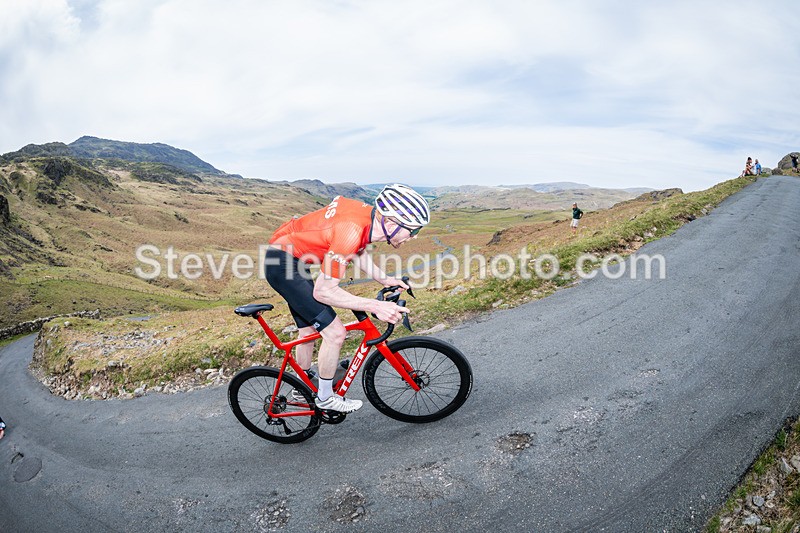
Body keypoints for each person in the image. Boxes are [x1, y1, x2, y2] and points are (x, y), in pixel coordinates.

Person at [264, 184, 430, 413]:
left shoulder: (367, 219)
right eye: (413, 230)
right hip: (283, 265)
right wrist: (375, 305)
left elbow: (357, 249)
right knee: (335, 333)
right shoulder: (351, 230)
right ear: (392, 224)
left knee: (309, 331)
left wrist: (384, 279)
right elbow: (323, 291)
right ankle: (325, 398)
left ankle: (301, 387)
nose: (414, 236)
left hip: (290, 258)